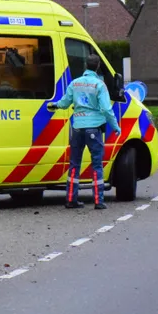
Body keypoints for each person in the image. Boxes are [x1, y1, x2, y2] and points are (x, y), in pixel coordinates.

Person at [48, 54, 121, 210]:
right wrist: (115, 127)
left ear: (86, 66)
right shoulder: (99, 85)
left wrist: (54, 105)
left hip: (78, 127)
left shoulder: (75, 83)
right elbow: (107, 109)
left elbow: (64, 102)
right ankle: (98, 201)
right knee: (96, 165)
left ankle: (70, 199)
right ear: (98, 66)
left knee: (74, 163)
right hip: (94, 128)